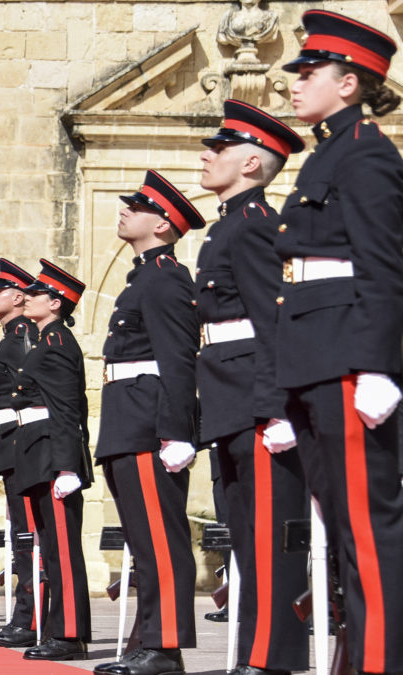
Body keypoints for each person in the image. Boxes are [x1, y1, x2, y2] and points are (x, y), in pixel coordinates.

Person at [277, 11, 403, 673]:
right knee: (346, 534)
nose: (295, 84)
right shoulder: (326, 153)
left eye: (308, 72)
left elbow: (384, 262)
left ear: (349, 82)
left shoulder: (367, 154)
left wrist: (378, 364)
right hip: (315, 357)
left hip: (348, 358)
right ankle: (360, 658)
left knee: (369, 528)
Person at [195, 99, 310, 674]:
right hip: (228, 400)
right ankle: (252, 655)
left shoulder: (258, 227)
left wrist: (277, 408)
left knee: (271, 537)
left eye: (219, 148)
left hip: (256, 404)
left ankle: (273, 658)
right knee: (245, 537)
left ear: (251, 164)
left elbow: (275, 320)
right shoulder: (226, 229)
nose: (206, 154)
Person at [93, 171, 203, 675]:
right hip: (126, 418)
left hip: (146, 422)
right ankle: (148, 640)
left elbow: (178, 359)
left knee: (161, 538)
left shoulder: (165, 278)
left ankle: (166, 646)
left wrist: (178, 431)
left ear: (161, 224)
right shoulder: (143, 275)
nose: (123, 212)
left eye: (135, 208)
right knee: (144, 541)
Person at [15, 259, 92, 661]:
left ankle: (70, 634)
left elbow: (66, 409)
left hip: (52, 454)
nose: (28, 299)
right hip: (39, 452)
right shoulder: (46, 341)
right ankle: (60, 629)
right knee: (53, 549)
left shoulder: (58, 343)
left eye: (36, 294)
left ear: (57, 303)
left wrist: (67, 466)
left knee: (63, 549)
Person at [0, 258, 43, 650]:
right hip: (9, 441)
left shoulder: (21, 337)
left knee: (27, 536)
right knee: (20, 535)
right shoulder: (10, 337)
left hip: (21, 441)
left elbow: (32, 393)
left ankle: (30, 618)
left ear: (18, 297)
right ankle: (25, 617)